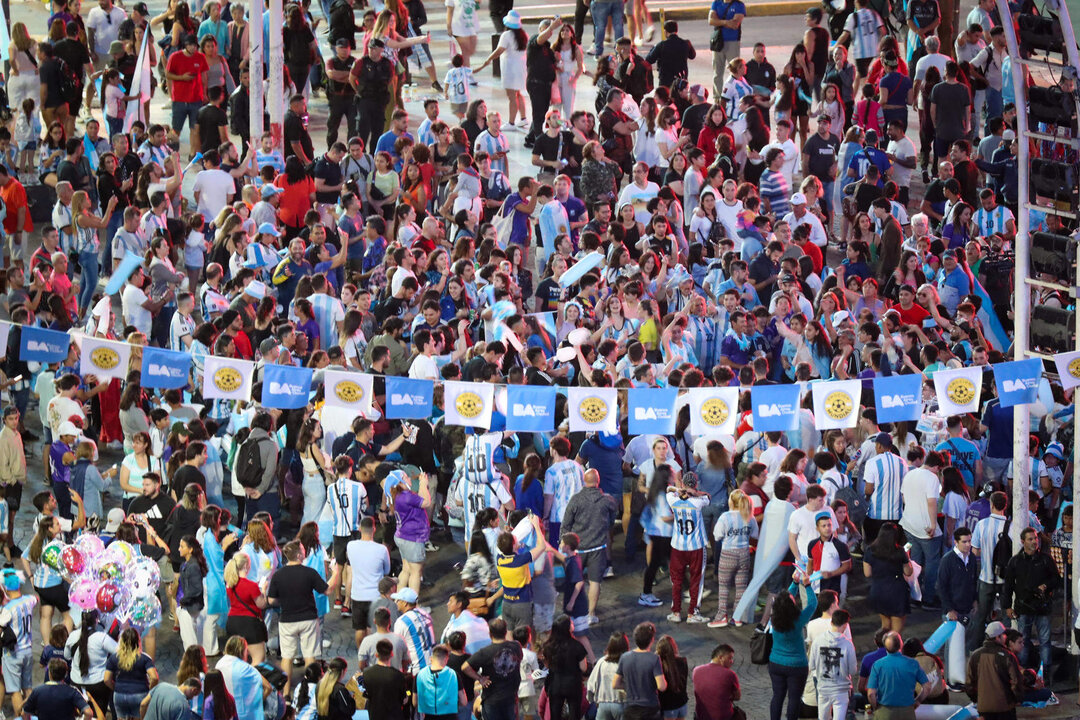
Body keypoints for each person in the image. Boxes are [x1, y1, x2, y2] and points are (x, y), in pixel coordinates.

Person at [1002, 527, 1059, 677]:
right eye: (1031, 539)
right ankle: (1022, 673)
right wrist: (1007, 606)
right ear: (1023, 542)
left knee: (1045, 642)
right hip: (1023, 607)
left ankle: (1046, 674)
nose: (1035, 541)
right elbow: (1008, 585)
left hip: (1042, 608)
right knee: (1022, 641)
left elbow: (1056, 579)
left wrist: (1046, 586)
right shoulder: (1015, 561)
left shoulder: (1046, 559)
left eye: (1035, 538)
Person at [462, 617, 524, 720]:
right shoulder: (516, 646)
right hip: (510, 696)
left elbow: (465, 667)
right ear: (505, 632)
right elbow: (519, 658)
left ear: (490, 634)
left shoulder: (485, 652)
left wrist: (479, 678)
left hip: (492, 699)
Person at [965, 621, 1023, 720]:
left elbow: (969, 683)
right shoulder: (1007, 656)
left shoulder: (975, 655)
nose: (1005, 637)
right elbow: (1016, 681)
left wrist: (977, 699)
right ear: (997, 637)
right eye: (1003, 635)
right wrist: (1017, 699)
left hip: (984, 707)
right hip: (1005, 707)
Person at [867, 633, 930, 717]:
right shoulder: (913, 663)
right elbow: (927, 687)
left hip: (885, 712)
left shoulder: (878, 665)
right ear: (901, 644)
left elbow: (871, 694)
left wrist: (876, 707)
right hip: (907, 712)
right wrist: (917, 701)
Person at [808, 609, 856, 720]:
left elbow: (812, 666)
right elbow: (853, 671)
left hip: (823, 688)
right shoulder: (848, 645)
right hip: (841, 690)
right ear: (845, 625)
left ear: (831, 622)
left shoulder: (818, 641)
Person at [613, 622, 667, 720]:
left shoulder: (625, 657)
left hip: (630, 709)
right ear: (652, 640)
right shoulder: (654, 659)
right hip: (650, 709)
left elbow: (615, 684)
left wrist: (628, 686)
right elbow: (662, 686)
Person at [21, 658, 93, 720]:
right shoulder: (72, 691)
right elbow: (89, 713)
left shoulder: (37, 691)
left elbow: (24, 714)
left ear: (50, 673)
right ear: (65, 674)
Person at [691, 644, 740, 720]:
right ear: (720, 657)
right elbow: (737, 696)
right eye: (730, 658)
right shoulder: (730, 674)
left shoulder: (696, 670)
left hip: (701, 716)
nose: (732, 661)